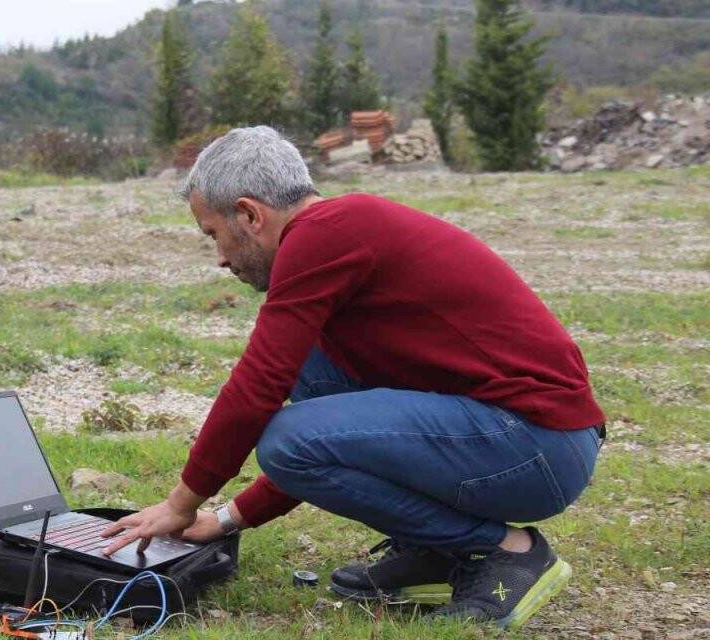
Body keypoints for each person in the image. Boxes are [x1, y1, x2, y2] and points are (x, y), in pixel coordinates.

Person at [100, 126, 604, 630]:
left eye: (215, 234)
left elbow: (258, 388)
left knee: (286, 439)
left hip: (539, 447)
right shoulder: (339, 233)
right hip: (521, 440)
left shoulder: (327, 233)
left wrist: (181, 504)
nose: (221, 258)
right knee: (311, 369)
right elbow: (326, 425)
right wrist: (229, 518)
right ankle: (436, 550)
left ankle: (509, 553)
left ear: (250, 215)